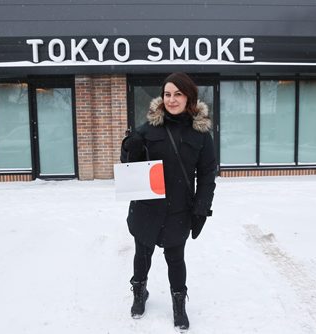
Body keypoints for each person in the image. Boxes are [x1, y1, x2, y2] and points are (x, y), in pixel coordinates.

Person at [120, 72, 217, 331]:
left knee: (175, 258)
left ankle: (178, 303)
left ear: (189, 98)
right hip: (147, 208)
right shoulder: (149, 127)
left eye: (178, 94)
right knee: (142, 254)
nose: (171, 99)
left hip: (179, 209)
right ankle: (139, 293)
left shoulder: (201, 135)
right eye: (167, 94)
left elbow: (208, 174)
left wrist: (201, 208)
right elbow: (129, 164)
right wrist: (130, 145)